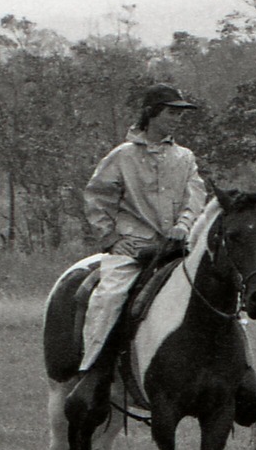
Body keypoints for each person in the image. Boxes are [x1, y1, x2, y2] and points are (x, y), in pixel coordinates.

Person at [78, 83, 210, 372]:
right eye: (172, 112)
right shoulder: (122, 156)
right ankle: (93, 372)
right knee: (109, 297)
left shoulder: (185, 157)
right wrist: (111, 239)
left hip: (176, 248)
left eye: (180, 113)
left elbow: (196, 196)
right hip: (133, 248)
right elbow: (98, 197)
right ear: (152, 113)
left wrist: (184, 225)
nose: (178, 118)